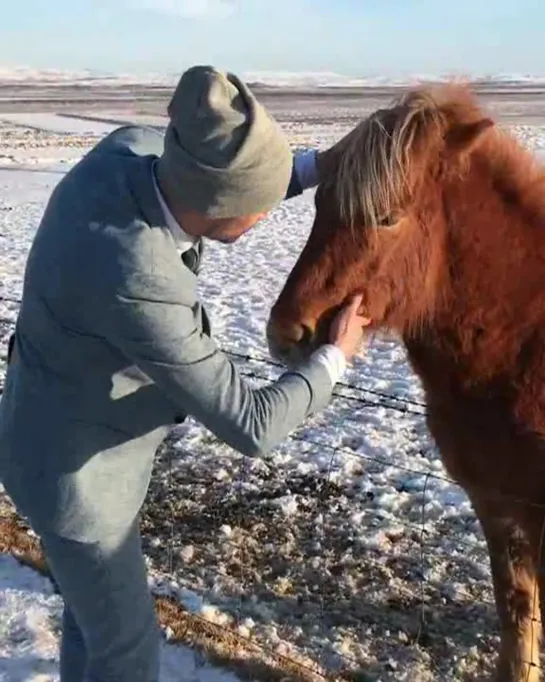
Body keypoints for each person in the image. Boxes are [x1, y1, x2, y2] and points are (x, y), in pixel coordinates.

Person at [0, 65, 369, 682]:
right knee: (129, 651)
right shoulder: (137, 279)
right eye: (255, 206)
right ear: (218, 205)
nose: (259, 219)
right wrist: (336, 357)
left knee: (94, 625)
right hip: (77, 483)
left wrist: (312, 168)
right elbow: (252, 424)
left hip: (45, 428)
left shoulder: (133, 153)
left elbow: (215, 174)